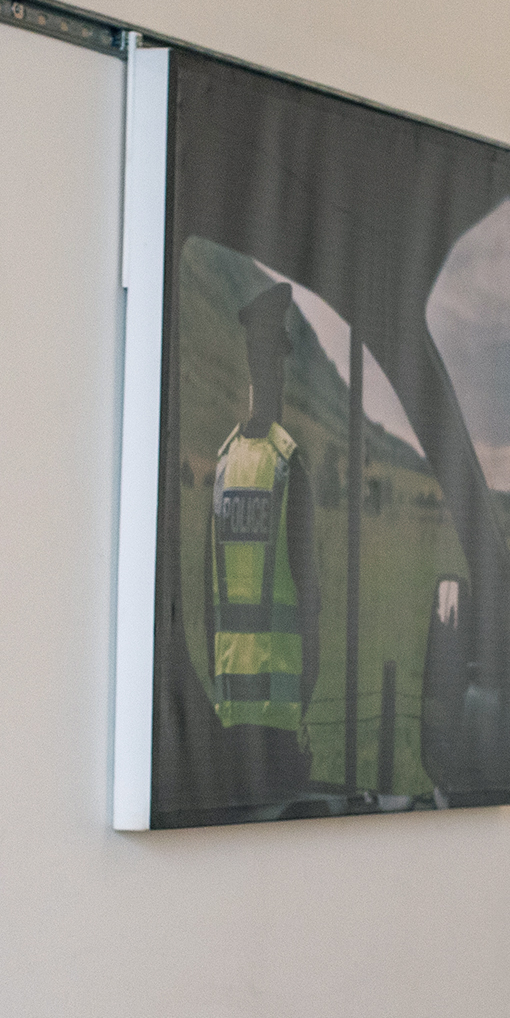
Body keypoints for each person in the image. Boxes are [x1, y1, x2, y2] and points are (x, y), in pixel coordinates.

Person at [207, 281, 320, 804]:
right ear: (273, 364)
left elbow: (213, 586)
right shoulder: (287, 464)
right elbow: (309, 592)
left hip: (229, 696)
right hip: (278, 703)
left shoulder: (223, 464)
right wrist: (307, 688)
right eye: (268, 356)